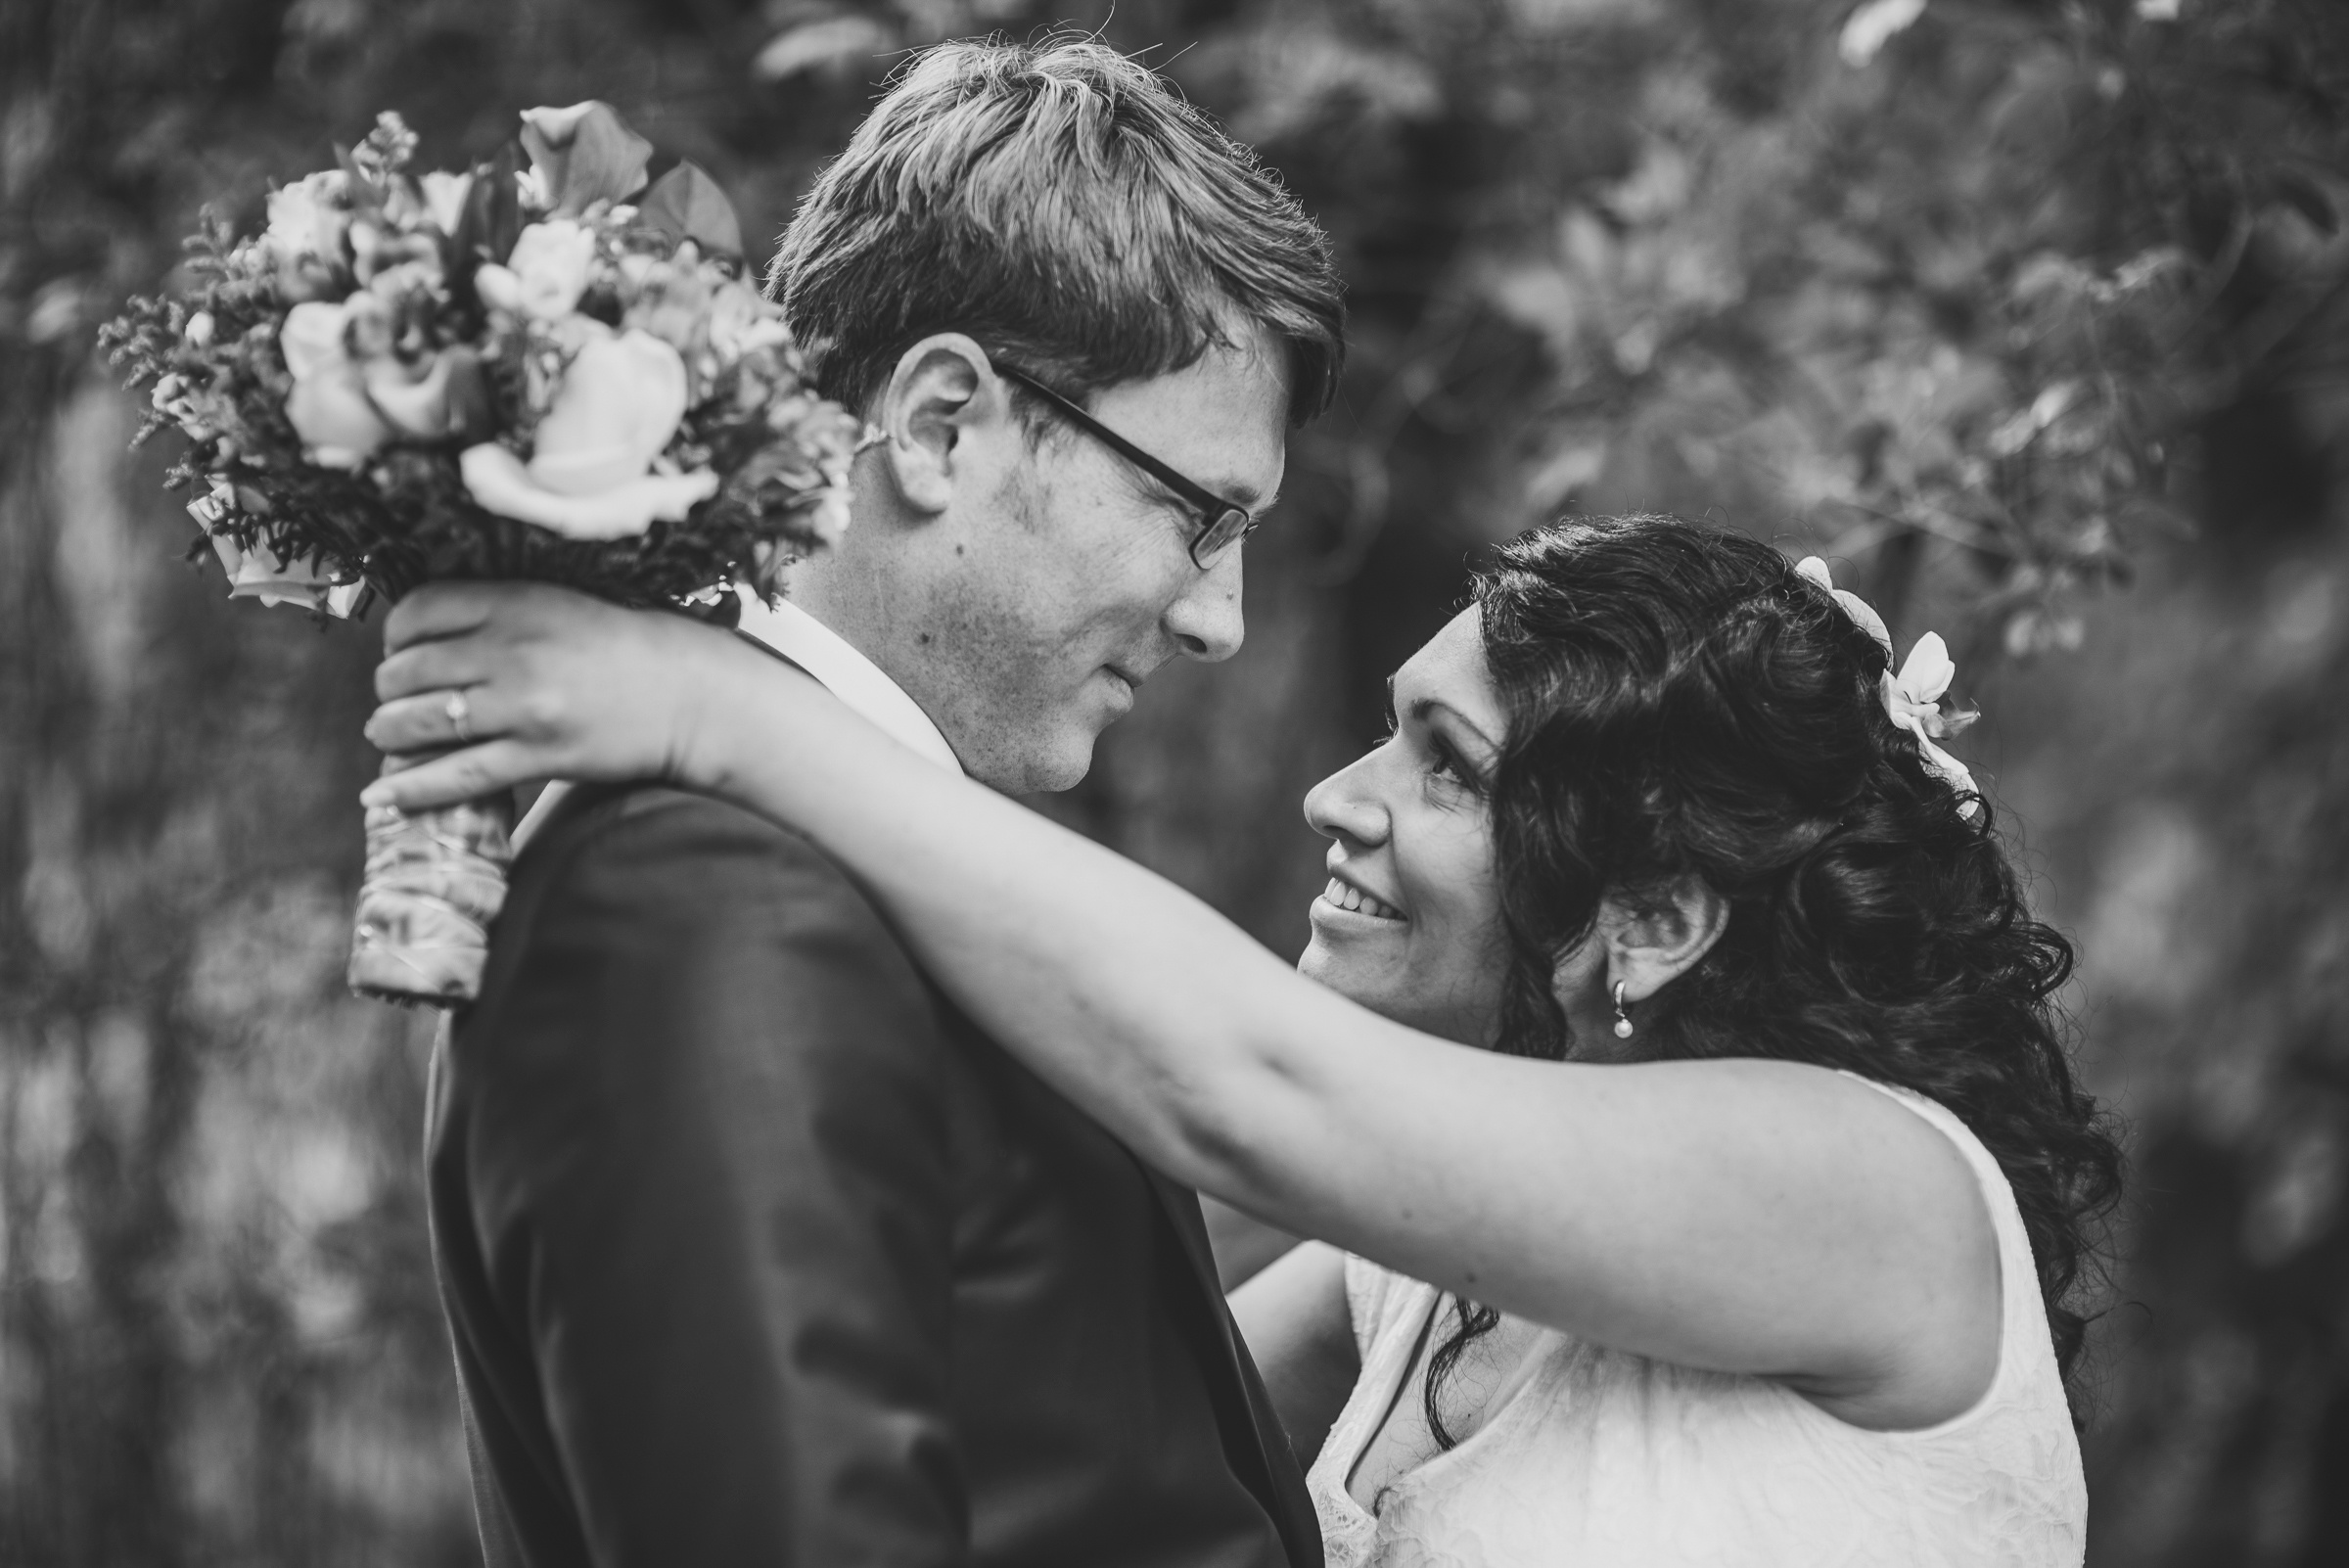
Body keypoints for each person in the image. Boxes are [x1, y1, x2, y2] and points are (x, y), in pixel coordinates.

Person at [369, 515, 2123, 1566]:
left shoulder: (1874, 1191)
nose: (1334, 800)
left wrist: (722, 713)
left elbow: (1237, 1085)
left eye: (1445, 765)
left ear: (1653, 916)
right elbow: (1055, 1293)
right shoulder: (1429, 1276)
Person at [407, 35, 1345, 1568]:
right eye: (1196, 515)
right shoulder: (695, 895)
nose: (1215, 617)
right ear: (938, 423)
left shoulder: (858, 853)